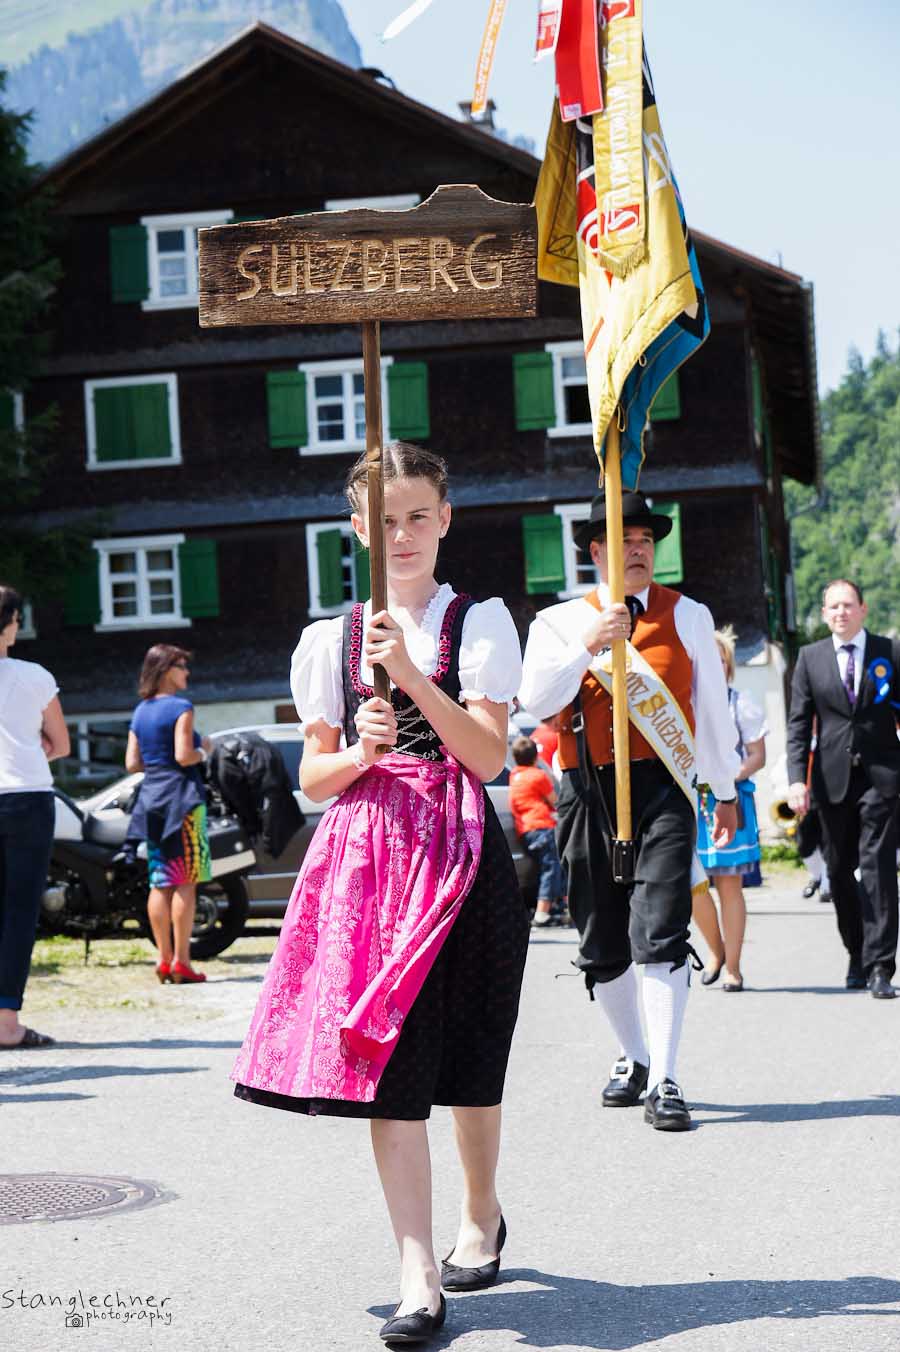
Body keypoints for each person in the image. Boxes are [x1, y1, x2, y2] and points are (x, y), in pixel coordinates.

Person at [231, 442, 529, 1347]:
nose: (402, 534)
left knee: (471, 1056)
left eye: (417, 516)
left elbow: (487, 758)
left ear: (446, 519)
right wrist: (361, 751)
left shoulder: (478, 623)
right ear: (357, 529)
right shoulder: (332, 639)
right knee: (390, 1066)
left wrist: (410, 678)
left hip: (460, 856)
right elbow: (314, 778)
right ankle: (418, 1274)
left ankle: (482, 1208)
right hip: (368, 865)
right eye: (384, 519)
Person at [519, 490, 738, 1132]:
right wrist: (588, 643)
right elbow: (535, 701)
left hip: (664, 789)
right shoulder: (560, 622)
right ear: (596, 552)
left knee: (661, 929)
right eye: (624, 540)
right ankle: (634, 1055)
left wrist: (724, 790)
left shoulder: (688, 615)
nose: (638, 550)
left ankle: (666, 1079)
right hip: (585, 788)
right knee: (600, 938)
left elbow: (712, 710)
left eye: (645, 541)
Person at [787, 579, 900, 998]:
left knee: (878, 869)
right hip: (831, 781)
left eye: (848, 605)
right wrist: (796, 779)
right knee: (838, 871)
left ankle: (880, 966)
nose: (841, 613)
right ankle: (857, 952)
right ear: (824, 614)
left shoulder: (889, 652)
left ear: (863, 609)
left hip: (881, 777)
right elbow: (799, 723)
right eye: (833, 607)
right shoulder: (810, 658)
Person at [0, 585, 70, 1049]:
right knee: (19, 910)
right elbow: (61, 744)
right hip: (26, 796)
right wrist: (33, 747)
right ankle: (6, 1022)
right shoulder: (35, 676)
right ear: (10, 625)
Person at [125, 645, 212, 985]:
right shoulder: (181, 707)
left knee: (160, 882)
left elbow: (132, 763)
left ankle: (162, 959)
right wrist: (204, 749)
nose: (186, 673)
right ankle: (182, 961)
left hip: (152, 802)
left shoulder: (140, 711)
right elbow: (184, 755)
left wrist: (156, 765)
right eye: (181, 666)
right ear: (165, 670)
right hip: (184, 800)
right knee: (186, 881)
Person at [693, 625, 768, 991]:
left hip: (731, 799)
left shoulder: (740, 702)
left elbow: (757, 755)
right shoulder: (682, 704)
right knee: (691, 885)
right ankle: (716, 951)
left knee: (729, 885)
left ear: (727, 667)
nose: (713, 666)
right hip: (690, 802)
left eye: (719, 661)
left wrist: (725, 779)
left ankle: (733, 967)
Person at [509, 735, 567, 927]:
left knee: (547, 867)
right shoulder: (538, 775)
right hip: (542, 827)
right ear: (536, 757)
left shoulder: (514, 775)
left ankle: (558, 906)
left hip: (525, 830)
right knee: (552, 867)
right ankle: (543, 912)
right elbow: (555, 802)